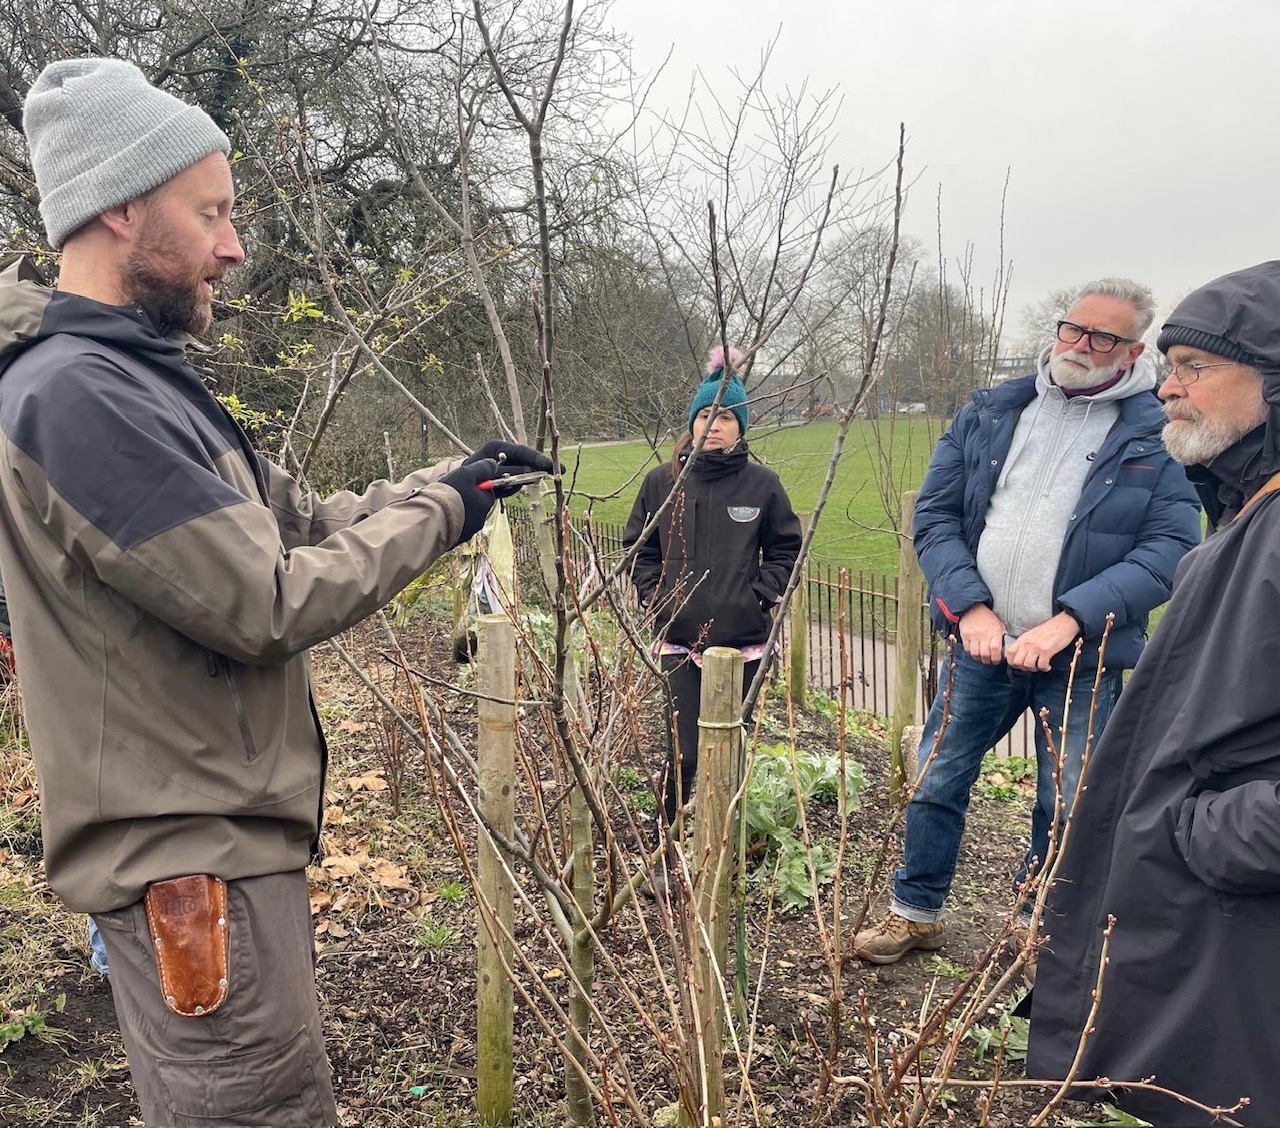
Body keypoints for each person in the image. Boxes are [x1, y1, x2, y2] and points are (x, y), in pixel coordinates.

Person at [0, 58, 553, 1127]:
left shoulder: (134, 380)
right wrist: (442, 519)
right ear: (121, 206)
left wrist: (450, 483)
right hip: (192, 868)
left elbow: (295, 517)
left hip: (209, 854)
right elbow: (266, 601)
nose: (233, 245)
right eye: (209, 212)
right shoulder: (79, 399)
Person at [853, 279, 1201, 966]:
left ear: (1133, 349)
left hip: (1079, 657)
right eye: (1073, 327)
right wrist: (972, 608)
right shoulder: (992, 410)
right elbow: (936, 517)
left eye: (1102, 337)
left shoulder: (1156, 433)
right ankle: (915, 912)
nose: (1080, 345)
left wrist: (1070, 621)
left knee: (1066, 799)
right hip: (979, 646)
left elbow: (1171, 549)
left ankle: (1037, 926)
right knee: (934, 777)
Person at [1027, 262, 1280, 1127]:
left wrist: (1214, 834)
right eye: (1167, 364)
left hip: (1244, 928)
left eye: (1196, 368)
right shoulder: (1249, 512)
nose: (1167, 387)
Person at [623, 346, 801, 886]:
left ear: (740, 425)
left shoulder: (762, 485)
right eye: (705, 415)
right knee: (684, 749)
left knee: (731, 749)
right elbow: (639, 547)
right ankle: (663, 852)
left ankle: (721, 847)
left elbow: (787, 549)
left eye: (725, 416)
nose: (714, 425)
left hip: (740, 643)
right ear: (692, 422)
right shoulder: (663, 483)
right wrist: (658, 599)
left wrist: (758, 597)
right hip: (679, 641)